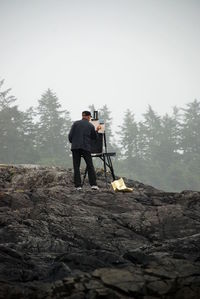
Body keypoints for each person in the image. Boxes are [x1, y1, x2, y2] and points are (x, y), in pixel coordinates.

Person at [68, 111, 101, 190]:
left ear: (83, 116)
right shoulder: (90, 125)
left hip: (75, 147)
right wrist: (97, 131)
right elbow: (94, 137)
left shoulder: (75, 124)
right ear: (88, 116)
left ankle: (78, 186)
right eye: (90, 117)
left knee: (76, 166)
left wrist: (74, 143)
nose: (90, 118)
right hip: (85, 147)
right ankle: (93, 185)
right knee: (90, 166)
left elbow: (70, 136)